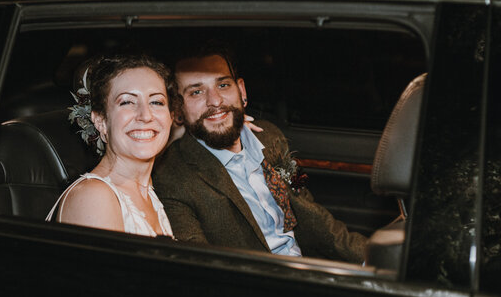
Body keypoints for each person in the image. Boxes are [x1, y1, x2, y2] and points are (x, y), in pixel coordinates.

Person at [153, 45, 367, 263]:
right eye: (196, 92)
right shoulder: (171, 177)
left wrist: (367, 256)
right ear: (178, 109)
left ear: (242, 91)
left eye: (223, 85)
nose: (215, 101)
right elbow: (204, 267)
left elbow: (306, 201)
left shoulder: (271, 137)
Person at [46, 53, 175, 238]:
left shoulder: (147, 192)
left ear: (171, 117)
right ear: (101, 121)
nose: (145, 115)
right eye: (127, 102)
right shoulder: (93, 197)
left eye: (156, 102)